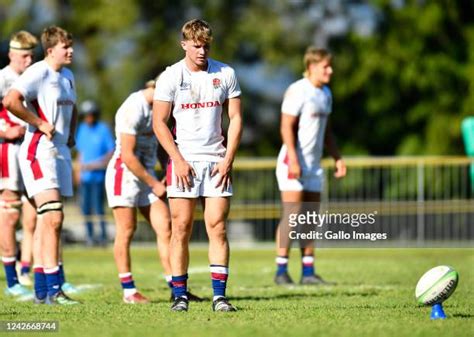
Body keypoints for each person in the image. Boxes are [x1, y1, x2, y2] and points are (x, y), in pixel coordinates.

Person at [153, 19, 243, 312]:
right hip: (184, 162)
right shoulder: (170, 76)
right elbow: (159, 122)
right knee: (180, 228)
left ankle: (220, 297)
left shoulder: (226, 72)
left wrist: (228, 158)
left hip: (216, 160)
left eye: (206, 45)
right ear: (184, 45)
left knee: (217, 227)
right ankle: (180, 295)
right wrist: (176, 159)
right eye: (196, 46)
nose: (202, 51)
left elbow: (236, 118)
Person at [106, 79, 203, 304]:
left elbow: (162, 144)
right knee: (126, 229)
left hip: (146, 176)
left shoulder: (161, 108)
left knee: (166, 226)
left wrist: (167, 172)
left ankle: (175, 288)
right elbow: (128, 156)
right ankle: (129, 290)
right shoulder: (133, 107)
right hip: (125, 174)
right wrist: (155, 183)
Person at [3, 25, 79, 305]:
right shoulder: (39, 71)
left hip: (59, 153)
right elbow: (11, 101)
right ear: (50, 51)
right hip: (38, 151)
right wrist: (38, 123)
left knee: (46, 221)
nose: (70, 51)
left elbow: (74, 108)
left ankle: (41, 291)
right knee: (53, 217)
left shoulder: (68, 75)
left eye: (71, 45)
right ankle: (52, 289)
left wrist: (71, 132)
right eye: (65, 47)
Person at [274, 47, 346, 285]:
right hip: (292, 163)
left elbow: (328, 133)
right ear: (312, 66)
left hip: (314, 166)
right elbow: (285, 126)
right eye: (326, 66)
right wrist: (294, 159)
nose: (330, 70)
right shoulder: (298, 90)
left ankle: (308, 272)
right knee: (292, 215)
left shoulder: (325, 93)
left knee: (310, 218)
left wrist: (337, 158)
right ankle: (281, 270)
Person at [0, 30, 37, 298]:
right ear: (12, 54)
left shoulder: (34, 76)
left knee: (40, 212)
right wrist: (3, 132)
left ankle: (29, 270)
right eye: (24, 55)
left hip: (30, 149)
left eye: (31, 55)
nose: (28, 60)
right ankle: (12, 281)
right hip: (8, 150)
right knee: (10, 214)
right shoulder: (3, 78)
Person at [76, 99, 114, 246]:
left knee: (99, 208)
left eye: (91, 115)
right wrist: (78, 173)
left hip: (98, 177)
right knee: (86, 209)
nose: (89, 118)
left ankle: (103, 237)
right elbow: (80, 153)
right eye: (86, 115)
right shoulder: (82, 129)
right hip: (85, 178)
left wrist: (97, 164)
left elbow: (111, 150)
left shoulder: (103, 129)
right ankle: (90, 237)